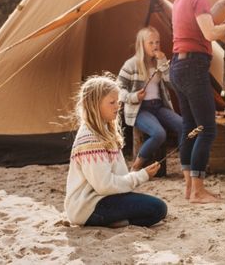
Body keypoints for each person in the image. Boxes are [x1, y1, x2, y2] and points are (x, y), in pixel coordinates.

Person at [169, 0, 225, 204]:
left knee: (190, 127)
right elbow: (209, 32)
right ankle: (199, 191)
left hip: (177, 65)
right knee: (207, 129)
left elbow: (199, 21)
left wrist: (217, 6)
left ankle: (189, 188)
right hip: (193, 66)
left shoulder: (180, 0)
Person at [64, 74, 167, 228]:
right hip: (87, 207)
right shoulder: (90, 138)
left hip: (104, 198)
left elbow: (116, 179)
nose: (117, 107)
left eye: (117, 102)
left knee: (154, 206)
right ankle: (109, 220)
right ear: (94, 105)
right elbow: (104, 186)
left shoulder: (104, 130)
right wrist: (141, 176)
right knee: (157, 208)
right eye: (111, 102)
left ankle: (114, 220)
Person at [118, 26, 182, 171]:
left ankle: (186, 165)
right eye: (151, 43)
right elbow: (118, 89)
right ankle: (136, 166)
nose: (155, 46)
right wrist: (133, 96)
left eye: (157, 42)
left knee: (182, 125)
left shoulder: (160, 61)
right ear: (142, 44)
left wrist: (164, 63)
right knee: (159, 134)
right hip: (140, 109)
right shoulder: (131, 64)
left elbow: (171, 84)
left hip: (158, 106)